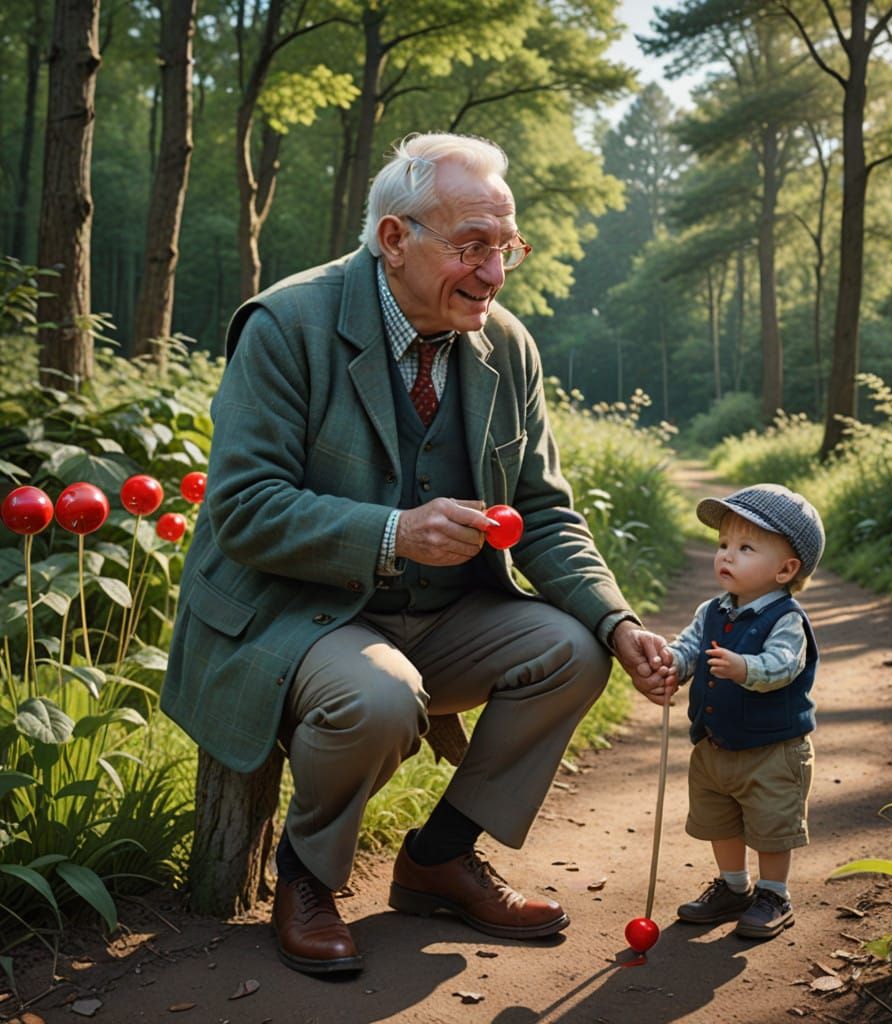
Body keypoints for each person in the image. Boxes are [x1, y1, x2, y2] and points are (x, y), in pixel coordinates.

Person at [161, 132, 665, 975]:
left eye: (506, 248)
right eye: (472, 246)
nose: (494, 273)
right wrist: (393, 532)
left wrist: (617, 623)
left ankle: (439, 856)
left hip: (439, 615)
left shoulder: (508, 346)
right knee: (381, 697)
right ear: (394, 239)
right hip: (294, 616)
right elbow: (242, 511)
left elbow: (541, 512)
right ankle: (306, 878)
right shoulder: (287, 324)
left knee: (573, 652)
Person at [634, 483, 825, 941]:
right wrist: (674, 664)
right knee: (720, 817)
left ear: (786, 569)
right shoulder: (712, 610)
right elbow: (689, 647)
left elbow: (784, 664)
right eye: (723, 545)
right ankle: (734, 887)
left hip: (773, 750)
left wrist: (745, 668)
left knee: (772, 824)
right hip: (715, 743)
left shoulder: (787, 619)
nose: (726, 556)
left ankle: (774, 893)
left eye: (744, 547)